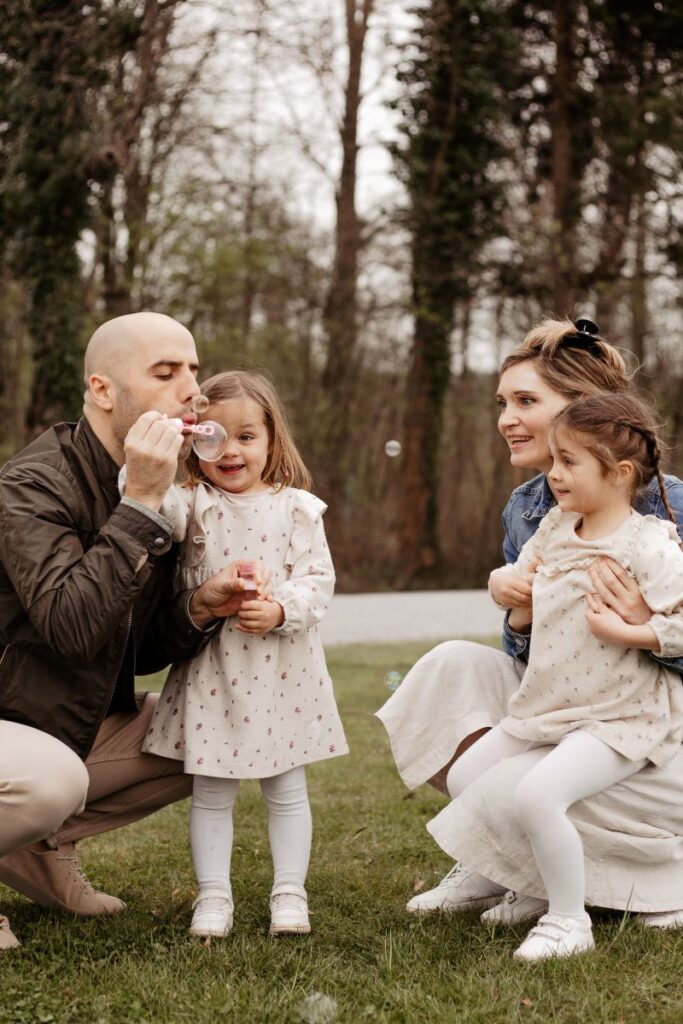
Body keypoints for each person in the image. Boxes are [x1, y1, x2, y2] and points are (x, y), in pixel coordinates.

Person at [376, 316, 683, 931]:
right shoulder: (527, 508)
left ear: (584, 408)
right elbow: (537, 652)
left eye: (525, 401)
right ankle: (505, 861)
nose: (506, 419)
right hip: (574, 693)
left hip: (647, 712)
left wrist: (644, 623)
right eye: (502, 403)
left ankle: (624, 882)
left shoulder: (667, 504)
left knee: (541, 779)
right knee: (452, 665)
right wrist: (516, 608)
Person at [0, 312, 261, 951]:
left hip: (62, 724)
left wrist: (199, 607)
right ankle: (31, 817)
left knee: (219, 727)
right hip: (12, 724)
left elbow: (132, 648)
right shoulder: (31, 485)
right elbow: (71, 628)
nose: (192, 392)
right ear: (103, 390)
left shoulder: (162, 483)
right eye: (165, 373)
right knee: (49, 780)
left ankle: (34, 846)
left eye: (193, 371)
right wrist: (139, 504)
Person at [429, 393, 683, 960]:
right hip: (550, 704)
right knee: (467, 778)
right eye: (556, 459)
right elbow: (519, 587)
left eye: (570, 461)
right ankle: (531, 882)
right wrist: (506, 589)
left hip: (621, 715)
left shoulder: (649, 545)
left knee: (539, 795)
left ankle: (569, 920)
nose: (556, 473)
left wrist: (634, 632)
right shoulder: (554, 526)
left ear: (619, 473)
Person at [129, 371, 348, 938]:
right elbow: (139, 501)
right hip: (214, 672)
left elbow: (318, 581)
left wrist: (280, 609)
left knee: (287, 790)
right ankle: (213, 897)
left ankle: (290, 893)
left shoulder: (297, 509)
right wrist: (158, 450)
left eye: (246, 436)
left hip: (283, 672)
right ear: (193, 442)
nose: (231, 451)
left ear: (272, 440)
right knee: (211, 791)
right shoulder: (189, 504)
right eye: (213, 436)